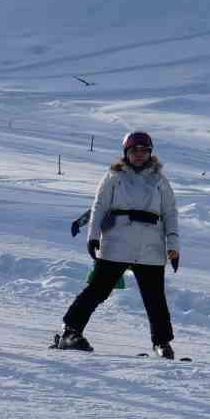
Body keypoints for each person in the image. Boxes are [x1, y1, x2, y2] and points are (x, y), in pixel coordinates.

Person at [52, 131, 180, 356]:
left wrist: (173, 246)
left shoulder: (160, 180)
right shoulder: (114, 176)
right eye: (134, 151)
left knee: (155, 298)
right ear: (126, 153)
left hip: (150, 245)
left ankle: (161, 342)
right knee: (98, 290)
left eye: (144, 151)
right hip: (116, 242)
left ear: (150, 153)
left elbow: (170, 213)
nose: (139, 155)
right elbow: (99, 206)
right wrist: (92, 236)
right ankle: (70, 331)